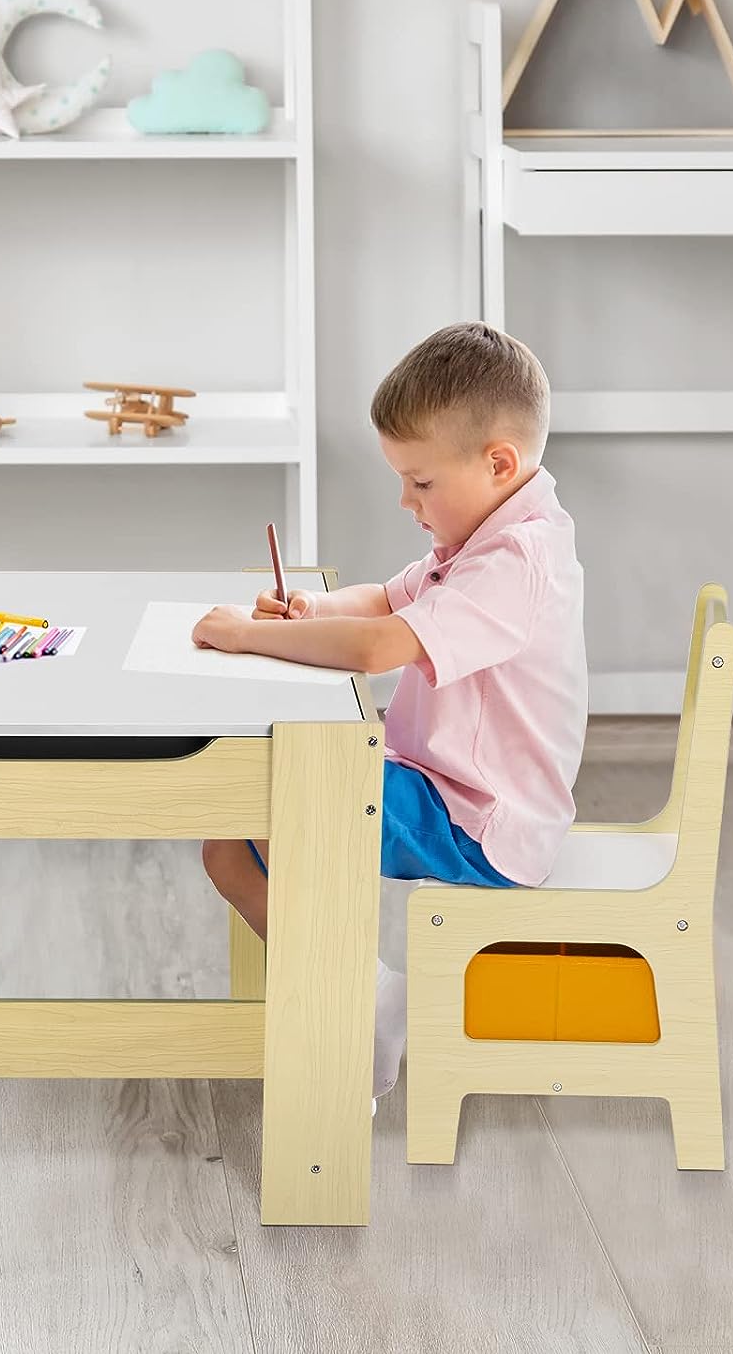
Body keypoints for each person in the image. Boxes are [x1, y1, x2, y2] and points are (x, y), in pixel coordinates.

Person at [193, 322, 587, 1102]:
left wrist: (249, 638)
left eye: (421, 482)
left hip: (479, 820)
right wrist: (308, 608)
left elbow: (379, 647)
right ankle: (369, 990)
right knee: (228, 843)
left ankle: (358, 1008)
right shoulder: (479, 535)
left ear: (498, 462)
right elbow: (383, 599)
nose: (406, 501)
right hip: (436, 786)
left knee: (291, 797)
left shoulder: (517, 559)